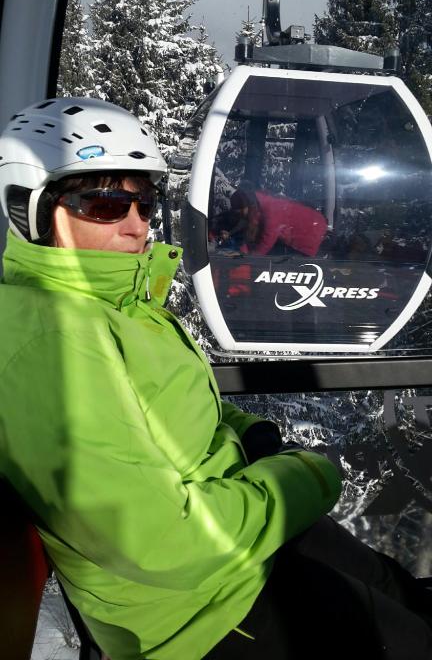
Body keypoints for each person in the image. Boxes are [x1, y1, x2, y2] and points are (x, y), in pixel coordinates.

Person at [0, 97, 430, 660]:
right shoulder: (49, 340)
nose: (136, 225)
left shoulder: (118, 304)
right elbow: (160, 541)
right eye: (105, 204)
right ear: (30, 209)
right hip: (201, 611)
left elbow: (177, 400)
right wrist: (302, 478)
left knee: (398, 590)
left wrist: (251, 433)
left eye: (145, 203)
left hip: (237, 534)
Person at [228, 184, 328, 258]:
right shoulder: (257, 208)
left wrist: (250, 258)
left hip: (311, 232)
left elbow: (267, 240)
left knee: (300, 269)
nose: (241, 215)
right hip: (296, 240)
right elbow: (251, 233)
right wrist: (242, 250)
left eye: (241, 212)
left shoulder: (271, 209)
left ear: (247, 205)